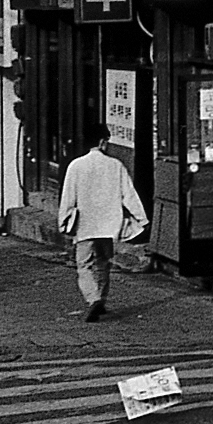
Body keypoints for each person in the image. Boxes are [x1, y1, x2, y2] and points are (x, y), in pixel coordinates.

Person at [57, 124, 148, 324]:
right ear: (102, 141)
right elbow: (129, 195)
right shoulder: (115, 165)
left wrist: (63, 221)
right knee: (103, 262)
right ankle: (101, 298)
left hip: (85, 225)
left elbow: (68, 198)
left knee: (84, 264)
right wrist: (141, 219)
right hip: (108, 224)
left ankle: (93, 298)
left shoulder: (76, 166)